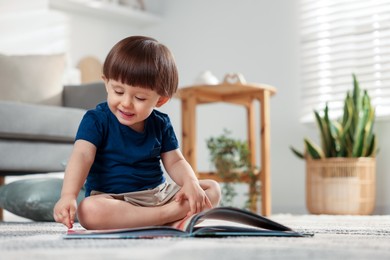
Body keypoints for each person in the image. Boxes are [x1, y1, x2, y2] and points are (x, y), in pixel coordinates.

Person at [53, 36, 221, 230]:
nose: (126, 103)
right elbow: (82, 156)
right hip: (116, 200)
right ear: (106, 83)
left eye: (140, 97)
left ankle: (160, 217)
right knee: (89, 211)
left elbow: (176, 161)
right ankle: (169, 216)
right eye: (118, 91)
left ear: (160, 100)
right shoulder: (96, 120)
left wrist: (190, 183)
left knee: (211, 189)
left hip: (158, 195)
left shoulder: (160, 124)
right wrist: (68, 196)